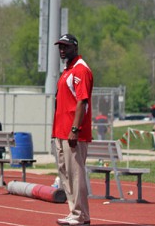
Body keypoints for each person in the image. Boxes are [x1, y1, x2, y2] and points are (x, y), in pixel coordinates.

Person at [52, 34, 93, 226]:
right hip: (60, 131)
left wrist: (75, 129)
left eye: (66, 47)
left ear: (75, 48)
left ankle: (80, 215)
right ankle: (75, 211)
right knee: (65, 173)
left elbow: (82, 102)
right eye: (60, 46)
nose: (62, 50)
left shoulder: (80, 70)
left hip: (73, 132)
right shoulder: (67, 70)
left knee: (76, 174)